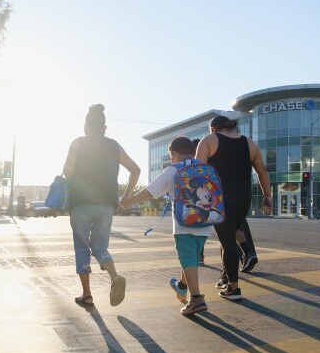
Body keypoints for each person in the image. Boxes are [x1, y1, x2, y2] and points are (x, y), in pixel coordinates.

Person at [121, 136, 213, 315]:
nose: (171, 159)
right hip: (206, 223)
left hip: (184, 224)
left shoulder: (173, 170)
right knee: (191, 260)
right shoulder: (204, 168)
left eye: (171, 155)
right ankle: (181, 287)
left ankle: (196, 299)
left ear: (175, 154)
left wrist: (130, 201)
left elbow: (151, 191)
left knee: (187, 260)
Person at [63, 104, 141, 307]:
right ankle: (114, 277)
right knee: (100, 246)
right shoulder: (113, 145)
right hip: (106, 204)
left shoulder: (77, 143)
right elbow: (135, 170)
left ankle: (87, 294)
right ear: (104, 127)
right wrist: (126, 196)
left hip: (80, 203)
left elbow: (67, 172)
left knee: (82, 248)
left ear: (85, 126)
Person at [196, 116, 272, 300]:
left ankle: (233, 288)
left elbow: (198, 170)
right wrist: (267, 196)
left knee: (227, 241)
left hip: (219, 199)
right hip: (244, 199)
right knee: (228, 238)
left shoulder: (209, 140)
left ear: (213, 129)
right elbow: (262, 170)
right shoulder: (249, 143)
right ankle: (226, 278)